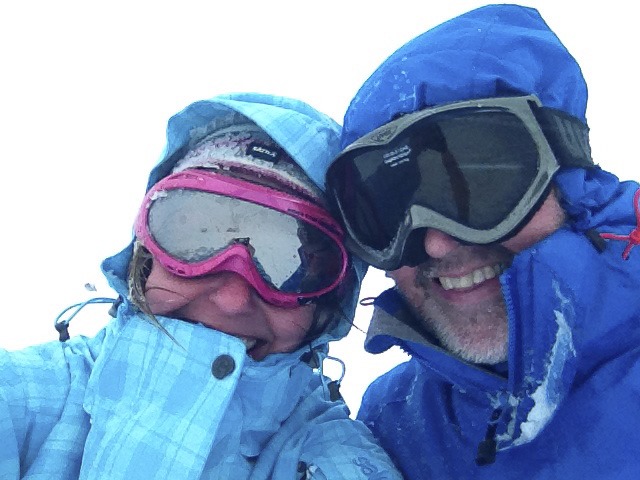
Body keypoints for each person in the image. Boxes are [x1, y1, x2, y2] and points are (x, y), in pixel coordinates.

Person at [0, 92, 404, 479]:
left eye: (291, 263)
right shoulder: (23, 398)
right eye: (197, 237)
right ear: (144, 257)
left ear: (329, 306)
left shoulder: (335, 457)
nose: (232, 300)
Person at [326, 4, 640, 479]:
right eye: (391, 212)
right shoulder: (392, 424)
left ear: (569, 181)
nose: (437, 244)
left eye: (481, 190)